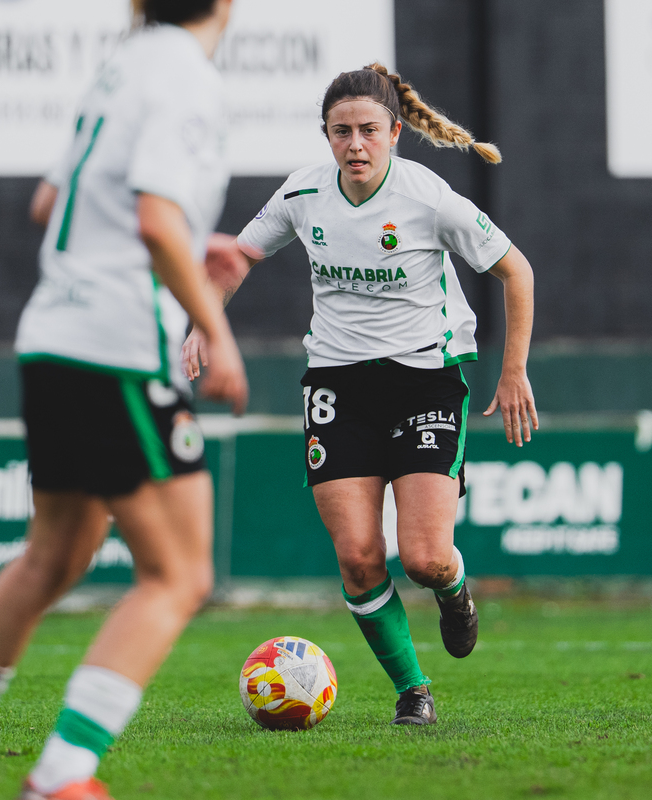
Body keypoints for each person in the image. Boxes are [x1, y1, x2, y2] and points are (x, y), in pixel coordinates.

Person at [0, 2, 247, 799]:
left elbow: (50, 206)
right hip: (118, 348)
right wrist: (215, 329)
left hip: (53, 337)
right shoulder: (185, 75)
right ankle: (61, 776)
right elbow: (156, 221)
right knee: (179, 575)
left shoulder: (121, 66)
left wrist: (185, 248)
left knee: (53, 556)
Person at [183, 64, 538, 725]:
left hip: (424, 379)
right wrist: (204, 324)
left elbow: (516, 271)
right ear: (326, 135)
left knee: (425, 558)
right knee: (358, 557)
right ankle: (413, 691)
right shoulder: (303, 193)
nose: (355, 144)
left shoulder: (428, 198)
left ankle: (454, 589)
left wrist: (512, 371)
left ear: (395, 133)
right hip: (337, 383)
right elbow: (237, 259)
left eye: (369, 130)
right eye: (341, 131)